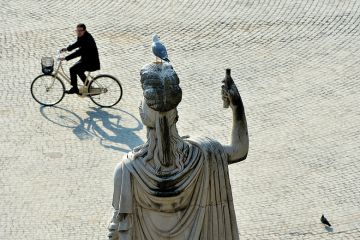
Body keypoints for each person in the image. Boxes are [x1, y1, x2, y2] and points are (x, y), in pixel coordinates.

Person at [107, 63, 249, 240]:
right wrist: (237, 106)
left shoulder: (126, 171)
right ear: (176, 116)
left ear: (143, 118)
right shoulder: (205, 154)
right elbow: (239, 150)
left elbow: (118, 233)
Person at [60, 23, 100, 94]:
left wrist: (66, 58)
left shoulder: (87, 39)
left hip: (91, 62)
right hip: (86, 59)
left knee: (72, 69)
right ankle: (88, 86)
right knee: (78, 70)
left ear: (84, 30)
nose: (78, 32)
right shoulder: (82, 36)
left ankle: (75, 88)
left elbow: (79, 52)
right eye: (77, 30)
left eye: (80, 31)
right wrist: (67, 49)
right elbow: (77, 43)